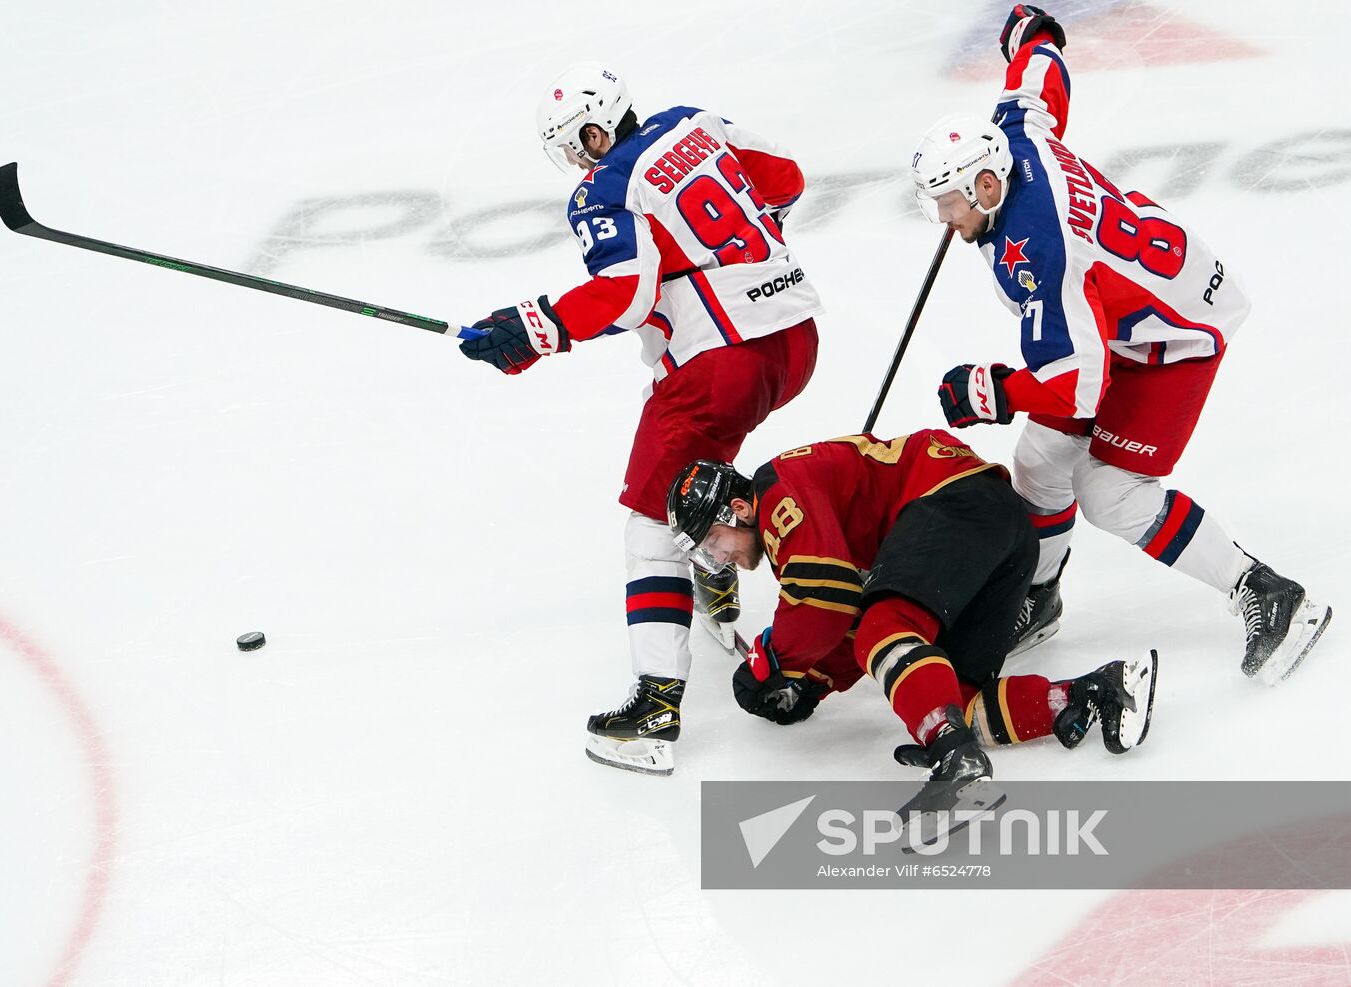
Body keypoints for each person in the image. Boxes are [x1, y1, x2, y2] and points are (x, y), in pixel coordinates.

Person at [911, 5, 1330, 682]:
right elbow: (1035, 82)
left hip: (1179, 334)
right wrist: (1034, 34)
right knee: (1041, 461)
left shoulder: (1041, 251)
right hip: (1127, 309)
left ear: (986, 184)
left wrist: (992, 389)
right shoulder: (1012, 138)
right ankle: (1040, 598)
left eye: (950, 201)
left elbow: (1080, 382)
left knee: (1112, 492)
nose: (943, 217)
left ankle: (1265, 590)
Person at [459, 64, 823, 774]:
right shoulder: (695, 120)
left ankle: (656, 707)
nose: (576, 160)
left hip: (720, 362)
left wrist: (536, 328)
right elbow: (785, 178)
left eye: (575, 144)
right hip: (797, 337)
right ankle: (716, 560)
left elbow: (626, 293)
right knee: (706, 456)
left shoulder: (603, 187)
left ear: (596, 132)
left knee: (650, 518)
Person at [666, 431, 1157, 812]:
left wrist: (770, 663)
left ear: (737, 510)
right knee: (951, 701)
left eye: (712, 542)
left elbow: (824, 601)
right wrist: (814, 681)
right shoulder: (792, 512)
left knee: (887, 629)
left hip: (953, 502)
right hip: (998, 530)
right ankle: (1096, 692)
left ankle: (957, 764)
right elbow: (846, 614)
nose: (720, 558)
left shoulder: (777, 495)